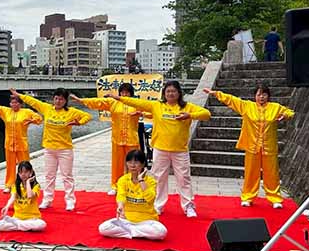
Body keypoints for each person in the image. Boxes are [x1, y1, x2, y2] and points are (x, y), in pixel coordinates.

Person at [107, 80, 211, 217]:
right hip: (160, 149)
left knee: (183, 178)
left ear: (179, 93)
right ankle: (158, 205)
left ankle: (188, 206)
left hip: (180, 150)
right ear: (164, 94)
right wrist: (118, 98)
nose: (171, 94)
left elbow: (206, 114)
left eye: (173, 91)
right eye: (168, 91)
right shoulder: (157, 106)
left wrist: (190, 115)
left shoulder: (187, 107)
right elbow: (138, 103)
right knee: (158, 178)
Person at [204, 86, 295, 208]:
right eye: (259, 94)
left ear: (268, 96)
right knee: (251, 173)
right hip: (252, 146)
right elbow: (231, 100)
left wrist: (286, 115)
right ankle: (248, 196)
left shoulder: (276, 107)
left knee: (272, 174)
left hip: (269, 146)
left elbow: (290, 112)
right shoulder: (247, 106)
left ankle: (275, 198)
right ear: (254, 96)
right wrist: (216, 93)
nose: (261, 97)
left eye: (264, 94)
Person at [10, 87, 91, 211]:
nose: (58, 101)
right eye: (56, 98)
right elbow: (33, 101)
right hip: (49, 148)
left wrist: (79, 123)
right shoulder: (47, 109)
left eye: (61, 99)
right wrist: (19, 95)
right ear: (53, 99)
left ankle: (70, 201)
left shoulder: (71, 112)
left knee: (67, 176)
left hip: (65, 149)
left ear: (65, 101)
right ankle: (47, 199)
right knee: (49, 176)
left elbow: (87, 116)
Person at [69, 83, 142, 195]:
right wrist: (80, 100)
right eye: (122, 92)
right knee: (116, 164)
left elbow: (150, 110)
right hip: (117, 138)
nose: (124, 94)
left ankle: (134, 184)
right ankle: (115, 185)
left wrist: (141, 113)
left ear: (131, 94)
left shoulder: (136, 104)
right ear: (119, 93)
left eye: (127, 92)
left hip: (132, 139)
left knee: (134, 163)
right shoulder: (113, 103)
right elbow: (97, 102)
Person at [0, 95, 42, 193]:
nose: (14, 105)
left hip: (21, 143)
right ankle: (9, 185)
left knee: (25, 165)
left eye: (16, 103)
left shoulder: (27, 112)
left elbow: (39, 118)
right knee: (10, 166)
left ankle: (28, 183)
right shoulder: (6, 111)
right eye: (12, 103)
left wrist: (33, 120)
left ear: (20, 104)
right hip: (9, 143)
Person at [99, 150, 167, 240]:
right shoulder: (123, 180)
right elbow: (121, 195)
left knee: (161, 232)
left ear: (143, 164)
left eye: (136, 162)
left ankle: (129, 233)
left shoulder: (151, 181)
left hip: (146, 220)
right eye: (130, 162)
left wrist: (141, 180)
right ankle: (136, 233)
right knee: (103, 228)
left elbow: (150, 199)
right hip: (126, 220)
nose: (132, 165)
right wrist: (120, 206)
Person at [0, 161, 46, 232]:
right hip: (17, 217)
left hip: (32, 218)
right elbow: (12, 197)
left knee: (41, 225)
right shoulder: (16, 185)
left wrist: (28, 182)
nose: (23, 174)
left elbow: (29, 196)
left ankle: (18, 225)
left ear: (31, 172)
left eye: (25, 172)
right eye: (20, 172)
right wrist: (7, 206)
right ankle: (22, 226)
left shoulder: (36, 186)